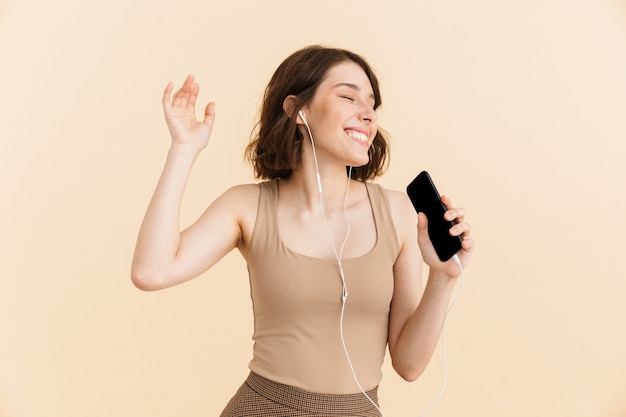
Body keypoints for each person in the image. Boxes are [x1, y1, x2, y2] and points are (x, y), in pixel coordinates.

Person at [131, 45, 474, 417]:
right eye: (348, 96)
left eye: (372, 104)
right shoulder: (246, 206)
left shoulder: (399, 212)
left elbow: (409, 365)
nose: (367, 114)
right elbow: (152, 272)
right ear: (297, 109)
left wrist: (443, 277)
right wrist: (184, 149)